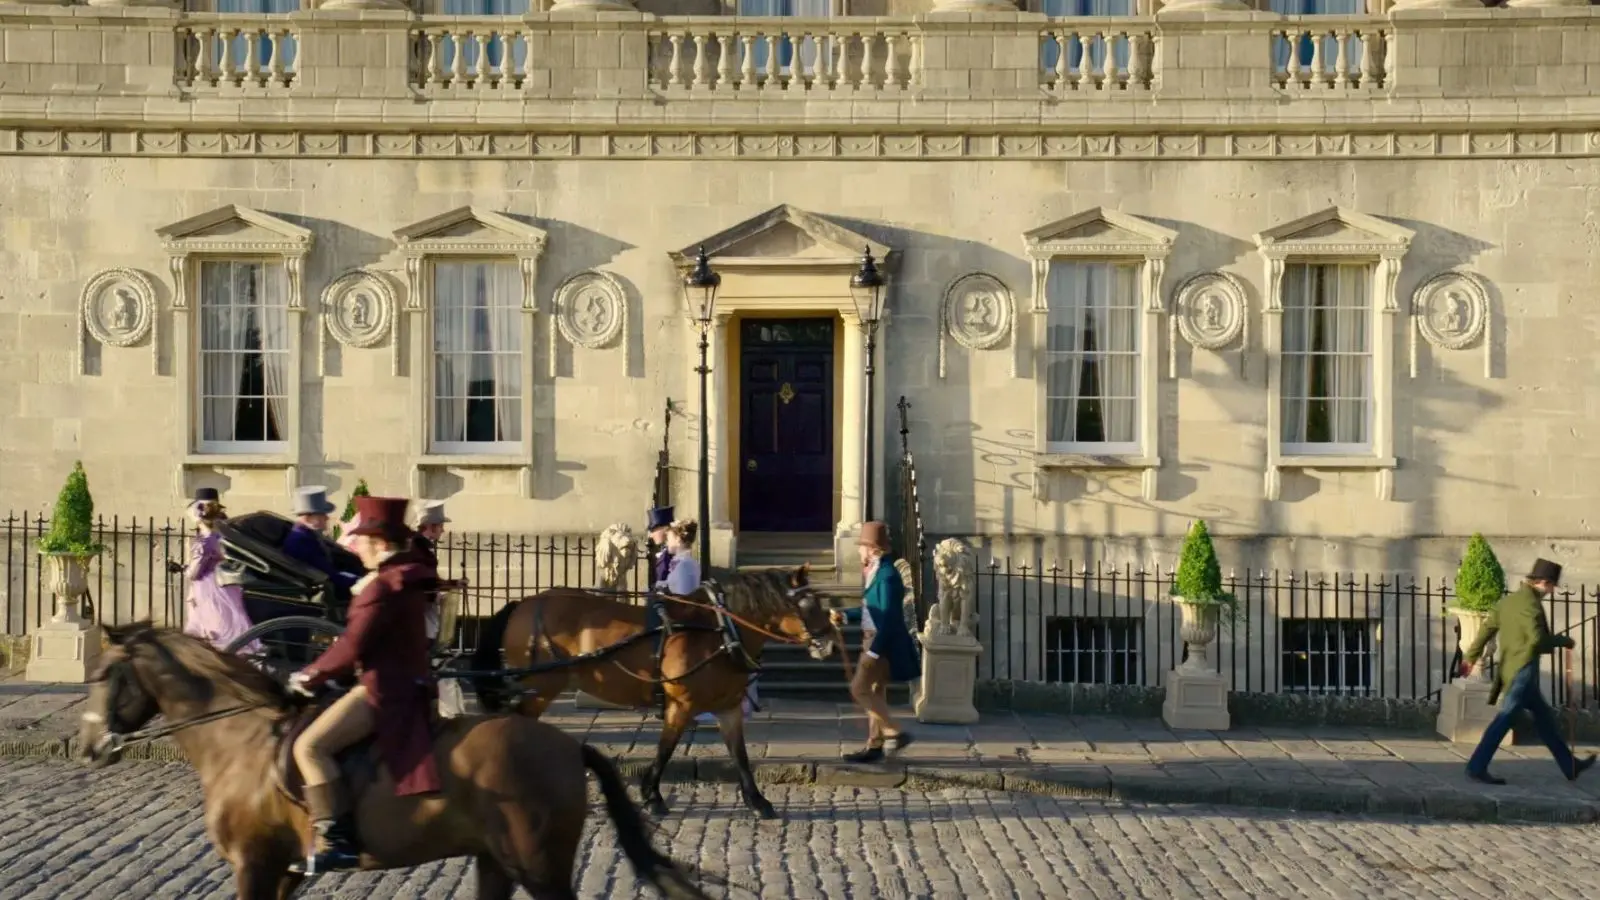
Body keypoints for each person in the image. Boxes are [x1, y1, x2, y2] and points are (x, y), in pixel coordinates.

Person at [286, 496, 442, 875]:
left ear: (382, 544)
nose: (356, 546)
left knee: (309, 747)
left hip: (384, 690)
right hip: (410, 681)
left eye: (363, 540)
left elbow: (353, 644)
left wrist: (310, 675)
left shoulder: (383, 587)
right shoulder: (406, 574)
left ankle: (336, 841)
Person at [1461, 557, 1597, 785]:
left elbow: (1486, 630)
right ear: (1544, 582)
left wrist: (1470, 657)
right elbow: (1536, 641)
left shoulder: (1508, 602)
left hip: (1513, 669)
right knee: (1504, 719)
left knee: (1545, 719)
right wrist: (1562, 641)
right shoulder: (1531, 605)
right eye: (1552, 586)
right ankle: (1477, 766)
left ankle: (1569, 765)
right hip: (1522, 670)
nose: (1552, 591)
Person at [830, 521, 918, 763]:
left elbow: (889, 617)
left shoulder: (888, 575)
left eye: (861, 546)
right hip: (875, 640)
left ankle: (894, 731)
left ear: (872, 548)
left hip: (880, 643)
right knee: (876, 692)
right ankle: (874, 744)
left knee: (859, 689)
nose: (859, 550)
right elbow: (872, 609)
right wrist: (846, 614)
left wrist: (874, 652)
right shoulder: (877, 572)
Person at [178, 488, 259, 653]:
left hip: (210, 591)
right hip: (225, 585)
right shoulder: (224, 534)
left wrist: (185, 568)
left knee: (214, 632)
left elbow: (193, 573)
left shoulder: (206, 541)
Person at [282, 486, 363, 602]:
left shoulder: (306, 534)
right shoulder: (301, 541)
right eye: (321, 514)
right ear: (307, 517)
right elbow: (328, 575)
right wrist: (361, 581)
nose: (326, 517)